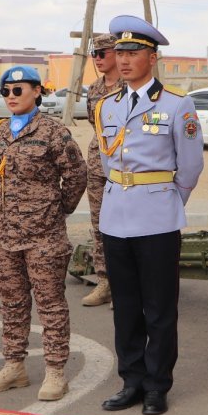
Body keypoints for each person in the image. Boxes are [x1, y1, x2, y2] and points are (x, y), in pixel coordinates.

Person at [96, 15, 204, 415]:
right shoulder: (109, 105)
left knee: (158, 308)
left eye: (133, 52)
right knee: (125, 306)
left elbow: (190, 166)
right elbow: (109, 161)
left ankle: (157, 385)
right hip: (115, 216)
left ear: (152, 58)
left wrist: (170, 199)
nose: (123, 60)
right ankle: (131, 381)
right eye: (119, 52)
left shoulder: (178, 105)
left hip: (157, 217)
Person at [0, 65, 87, 402]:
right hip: (6, 234)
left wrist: (56, 211)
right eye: (5, 91)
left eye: (18, 90)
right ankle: (15, 366)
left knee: (50, 305)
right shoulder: (0, 131)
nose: (11, 96)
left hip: (44, 236)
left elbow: (76, 176)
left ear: (37, 91)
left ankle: (56, 371)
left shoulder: (54, 131)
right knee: (12, 304)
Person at [82, 32, 122, 307]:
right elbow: (94, 123)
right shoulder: (94, 89)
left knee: (128, 224)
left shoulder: (130, 85)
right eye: (93, 54)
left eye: (101, 53)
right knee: (100, 225)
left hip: (127, 164)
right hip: (98, 164)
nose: (96, 59)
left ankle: (128, 286)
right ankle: (105, 282)